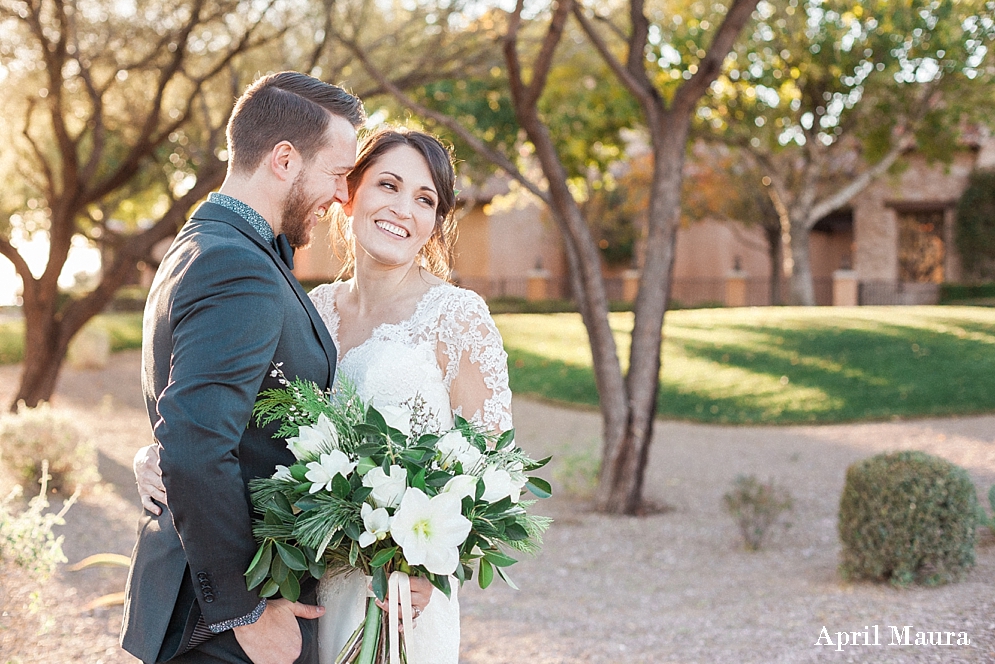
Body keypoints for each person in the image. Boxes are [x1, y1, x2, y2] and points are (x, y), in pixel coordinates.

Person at [134, 126, 514, 664]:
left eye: (425, 198)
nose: (403, 208)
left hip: (401, 596)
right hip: (306, 582)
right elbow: (231, 419)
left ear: (435, 221)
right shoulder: (313, 309)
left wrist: (435, 560)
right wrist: (158, 455)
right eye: (388, 185)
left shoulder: (458, 318)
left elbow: (496, 468)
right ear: (348, 193)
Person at [122, 71, 364, 664]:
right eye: (337, 174)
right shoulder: (237, 266)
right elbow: (197, 444)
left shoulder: (203, 243)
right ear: (284, 159)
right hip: (220, 630)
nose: (342, 196)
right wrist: (244, 612)